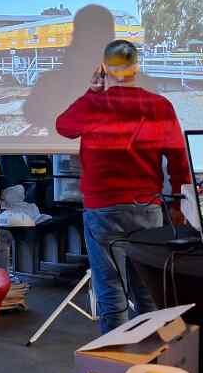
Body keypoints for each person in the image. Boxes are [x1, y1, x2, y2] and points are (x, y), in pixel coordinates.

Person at [55, 39, 190, 333]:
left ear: (105, 68)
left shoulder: (94, 104)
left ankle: (117, 357)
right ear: (136, 68)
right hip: (147, 208)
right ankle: (152, 354)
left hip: (102, 209)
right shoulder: (160, 106)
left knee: (110, 291)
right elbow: (179, 160)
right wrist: (180, 205)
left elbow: (63, 126)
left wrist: (91, 92)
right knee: (147, 289)